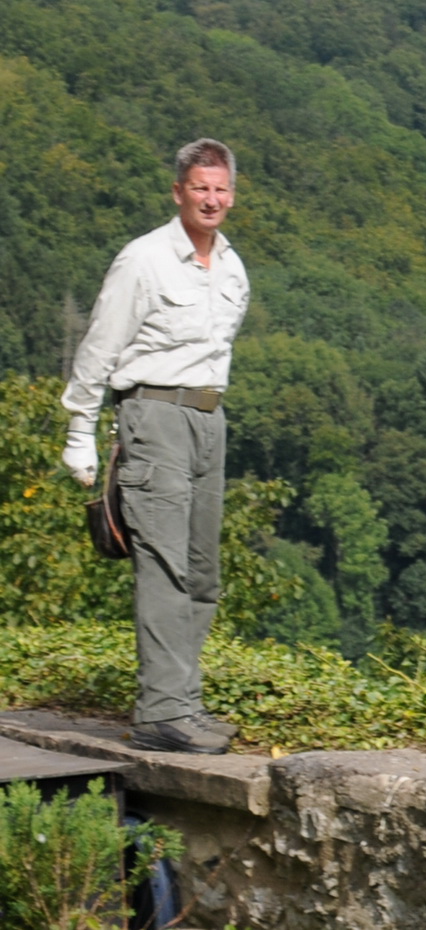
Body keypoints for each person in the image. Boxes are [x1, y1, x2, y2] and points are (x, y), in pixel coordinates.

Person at [61, 138, 249, 754]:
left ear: (232, 194)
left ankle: (182, 703)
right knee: (163, 563)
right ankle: (161, 712)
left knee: (201, 570)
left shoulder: (233, 267)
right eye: (201, 187)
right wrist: (79, 432)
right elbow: (99, 345)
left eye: (220, 188)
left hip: (208, 421)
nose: (212, 199)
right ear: (178, 192)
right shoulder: (144, 259)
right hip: (154, 415)